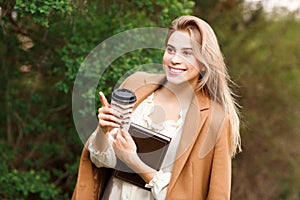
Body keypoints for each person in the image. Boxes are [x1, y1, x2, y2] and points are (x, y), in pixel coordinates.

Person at [72, 15, 241, 200]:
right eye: (171, 50)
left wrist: (135, 162)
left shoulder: (215, 119)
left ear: (203, 62)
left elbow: (212, 194)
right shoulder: (135, 84)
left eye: (187, 53)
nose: (175, 59)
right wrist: (102, 132)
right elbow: (100, 160)